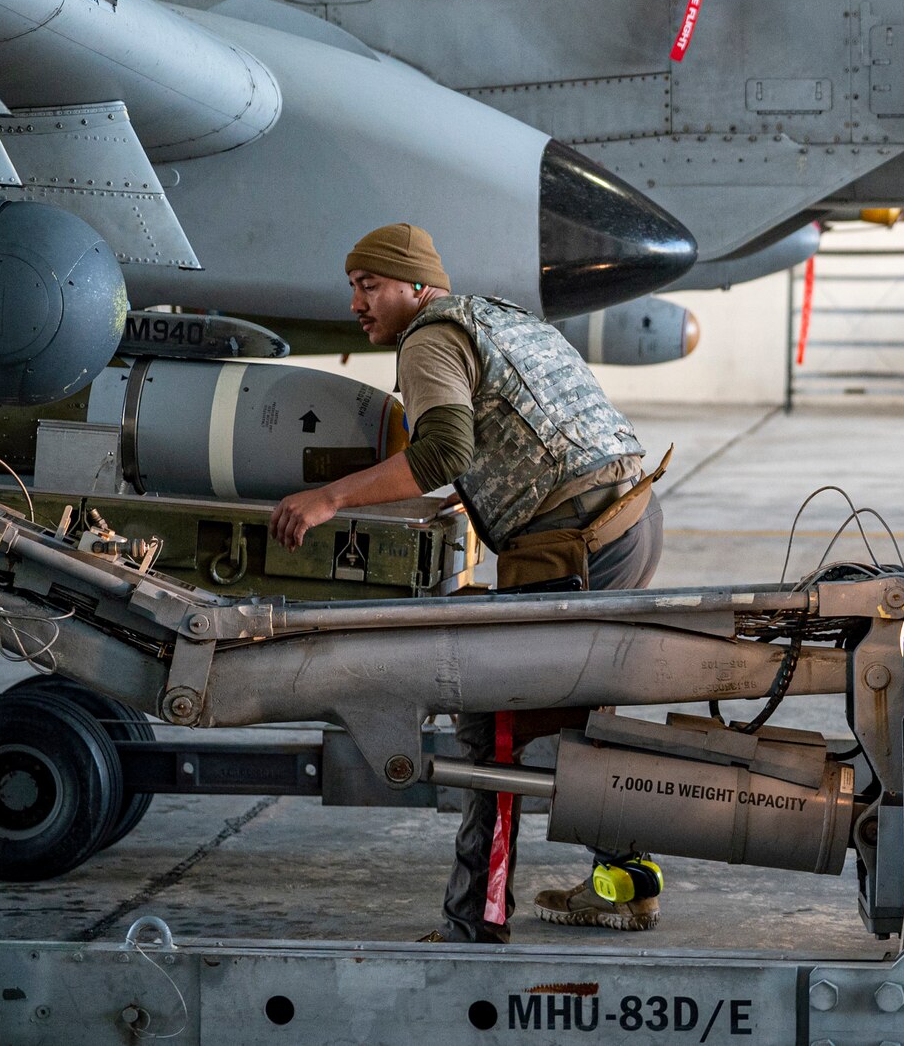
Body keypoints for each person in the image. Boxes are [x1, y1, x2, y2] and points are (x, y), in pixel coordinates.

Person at [270, 223, 669, 943]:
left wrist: (328, 499)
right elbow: (524, 431)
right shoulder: (496, 315)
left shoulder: (427, 337)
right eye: (353, 288)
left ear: (416, 287)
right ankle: (626, 881)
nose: (358, 304)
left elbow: (443, 449)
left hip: (569, 544)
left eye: (370, 287)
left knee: (495, 733)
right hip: (629, 519)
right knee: (581, 721)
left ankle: (474, 924)